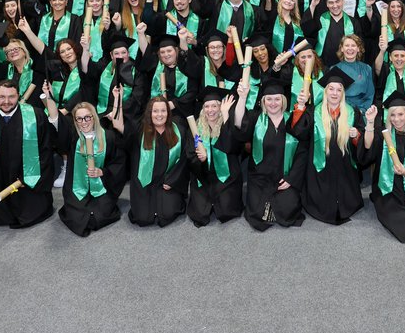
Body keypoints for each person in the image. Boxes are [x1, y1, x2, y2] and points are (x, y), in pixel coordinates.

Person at [233, 78, 309, 231]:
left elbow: (302, 153)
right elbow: (239, 124)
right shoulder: (256, 118)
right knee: (256, 211)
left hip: (285, 176)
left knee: (289, 209)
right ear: (263, 101)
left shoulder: (293, 120)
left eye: (277, 99)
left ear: (283, 101)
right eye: (269, 99)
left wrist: (291, 179)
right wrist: (242, 98)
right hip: (259, 177)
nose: (273, 103)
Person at [0, 80, 55, 229]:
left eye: (12, 97)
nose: (6, 102)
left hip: (27, 179)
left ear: (18, 96)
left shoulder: (35, 115)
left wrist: (34, 175)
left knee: (32, 210)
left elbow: (46, 149)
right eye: (2, 97)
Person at [359, 93, 405, 243]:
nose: (396, 119)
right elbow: (367, 148)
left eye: (400, 114)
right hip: (387, 188)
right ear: (388, 116)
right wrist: (370, 123)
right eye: (392, 115)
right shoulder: (383, 134)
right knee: (398, 218)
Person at [49, 99, 126, 237]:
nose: (84, 122)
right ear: (75, 121)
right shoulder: (73, 137)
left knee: (98, 217)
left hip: (102, 186)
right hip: (77, 187)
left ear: (93, 117)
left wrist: (102, 171)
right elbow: (56, 123)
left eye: (87, 117)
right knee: (77, 218)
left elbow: (118, 163)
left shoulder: (108, 136)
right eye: (79, 119)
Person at [299, 66, 365, 225]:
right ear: (325, 91)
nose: (334, 93)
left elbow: (361, 138)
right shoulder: (313, 111)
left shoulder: (352, 112)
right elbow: (299, 133)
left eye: (339, 90)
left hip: (345, 167)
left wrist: (357, 135)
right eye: (331, 89)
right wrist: (300, 107)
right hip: (319, 168)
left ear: (343, 93)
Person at [123, 96, 192, 227]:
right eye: (155, 111)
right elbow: (134, 163)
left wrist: (172, 180)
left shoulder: (179, 130)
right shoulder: (139, 131)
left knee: (167, 213)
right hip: (145, 182)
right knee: (142, 218)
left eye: (163, 111)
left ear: (168, 113)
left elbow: (183, 160)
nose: (159, 115)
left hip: (168, 182)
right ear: (150, 113)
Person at [185, 87, 243, 227]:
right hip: (202, 178)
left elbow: (233, 148)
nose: (210, 110)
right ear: (202, 109)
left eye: (214, 106)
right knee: (199, 214)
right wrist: (202, 160)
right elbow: (190, 155)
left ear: (220, 107)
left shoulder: (227, 123)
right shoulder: (195, 128)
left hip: (226, 177)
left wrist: (226, 116)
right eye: (207, 106)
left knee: (226, 211)